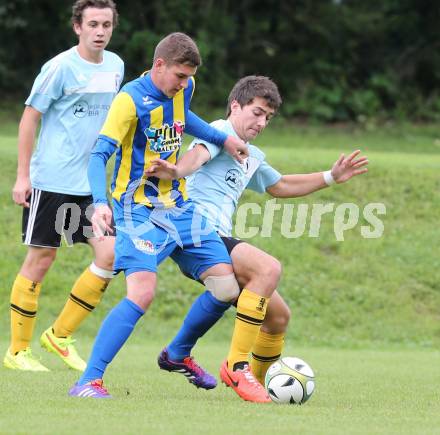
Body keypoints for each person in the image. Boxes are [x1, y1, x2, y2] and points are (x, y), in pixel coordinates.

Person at [147, 75, 369, 402]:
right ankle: (237, 368)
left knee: (278, 317)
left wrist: (330, 177)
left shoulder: (250, 154)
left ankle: (258, 382)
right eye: (257, 112)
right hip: (195, 230)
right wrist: (178, 171)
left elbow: (280, 186)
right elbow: (197, 157)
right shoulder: (219, 131)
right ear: (236, 106)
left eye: (268, 117)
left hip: (216, 237)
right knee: (268, 268)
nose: (261, 121)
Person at [68, 32, 249, 398]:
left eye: (188, 78)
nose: (184, 84)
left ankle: (177, 354)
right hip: (136, 210)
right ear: (159, 65)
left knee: (227, 286)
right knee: (143, 293)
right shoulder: (129, 101)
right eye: (179, 76)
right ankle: (88, 381)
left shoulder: (184, 87)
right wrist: (101, 202)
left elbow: (185, 119)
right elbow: (99, 155)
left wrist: (222, 138)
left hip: (179, 207)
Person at [4, 0, 124, 373]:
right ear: (78, 27)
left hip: (90, 184)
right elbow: (29, 119)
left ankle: (59, 335)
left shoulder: (117, 66)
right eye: (92, 24)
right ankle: (18, 351)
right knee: (42, 258)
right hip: (52, 179)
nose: (100, 31)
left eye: (106, 24)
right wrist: (23, 176)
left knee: (110, 254)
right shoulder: (59, 68)